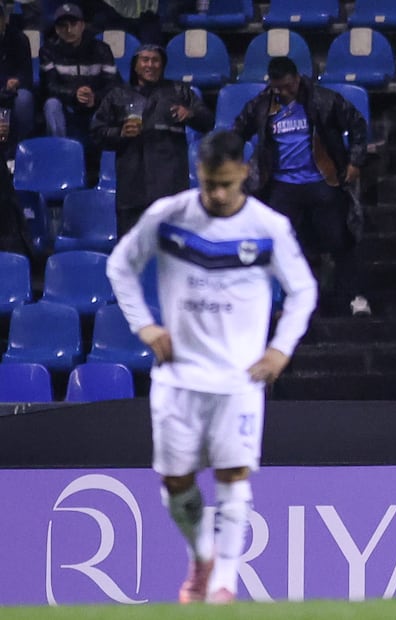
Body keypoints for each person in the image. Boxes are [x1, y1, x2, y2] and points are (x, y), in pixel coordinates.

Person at [105, 130, 318, 604]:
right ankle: (201, 553)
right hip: (178, 377)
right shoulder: (169, 216)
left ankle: (224, 581)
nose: (216, 194)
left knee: (233, 475)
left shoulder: (268, 226)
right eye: (207, 183)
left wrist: (280, 349)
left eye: (224, 183)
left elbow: (303, 290)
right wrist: (144, 326)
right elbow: (120, 265)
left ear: (244, 172)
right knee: (175, 482)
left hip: (239, 380)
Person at [233, 56, 370, 317]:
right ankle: (293, 301)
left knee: (341, 240)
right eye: (278, 87)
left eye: (288, 86)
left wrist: (355, 161)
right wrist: (237, 164)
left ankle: (355, 297)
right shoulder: (262, 105)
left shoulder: (323, 100)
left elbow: (357, 124)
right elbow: (237, 131)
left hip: (322, 181)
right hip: (281, 186)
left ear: (297, 79)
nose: (284, 92)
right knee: (284, 247)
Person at [91, 44, 214, 234]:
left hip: (170, 187)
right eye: (145, 60)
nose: (151, 65)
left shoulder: (179, 91)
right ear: (135, 65)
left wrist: (190, 114)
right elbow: (96, 133)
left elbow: (207, 121)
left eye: (156, 60)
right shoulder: (117, 95)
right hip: (132, 190)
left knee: (171, 253)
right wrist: (120, 133)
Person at [40, 3, 120, 142]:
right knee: (51, 104)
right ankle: (60, 150)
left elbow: (112, 85)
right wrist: (74, 94)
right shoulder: (48, 51)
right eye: (63, 25)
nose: (69, 29)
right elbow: (49, 87)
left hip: (95, 103)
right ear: (57, 29)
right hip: (66, 104)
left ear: (82, 25)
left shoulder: (102, 50)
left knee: (113, 102)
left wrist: (95, 97)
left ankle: (105, 154)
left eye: (73, 23)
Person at [0, 1, 35, 160]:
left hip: (12, 91)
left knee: (24, 99)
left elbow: (27, 74)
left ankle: (21, 149)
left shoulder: (19, 39)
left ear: (3, 20)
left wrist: (16, 81)